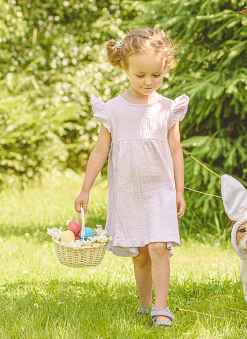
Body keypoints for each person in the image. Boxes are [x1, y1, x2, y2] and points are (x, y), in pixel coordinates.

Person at [74, 28, 188, 328]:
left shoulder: (166, 108)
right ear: (125, 67)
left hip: (160, 190)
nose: (149, 82)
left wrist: (179, 190)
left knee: (159, 248)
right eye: (140, 76)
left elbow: (176, 152)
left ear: (165, 70)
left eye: (156, 76)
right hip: (128, 193)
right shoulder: (113, 110)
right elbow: (100, 152)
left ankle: (162, 310)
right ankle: (146, 305)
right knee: (139, 254)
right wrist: (85, 190)